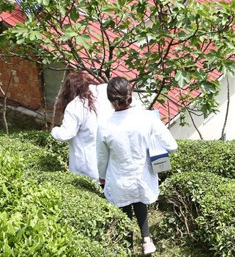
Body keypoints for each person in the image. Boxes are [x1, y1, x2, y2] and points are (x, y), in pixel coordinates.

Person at [97, 77, 177, 255]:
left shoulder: (104, 126)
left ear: (109, 99)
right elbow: (172, 145)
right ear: (130, 93)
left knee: (124, 207)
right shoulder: (147, 118)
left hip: (119, 179)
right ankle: (146, 240)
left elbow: (102, 158)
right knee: (139, 198)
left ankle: (127, 246)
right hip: (143, 176)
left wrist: (102, 177)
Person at [50, 71, 100, 181]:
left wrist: (54, 130)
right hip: (103, 160)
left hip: (85, 164)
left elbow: (65, 134)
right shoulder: (98, 99)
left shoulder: (75, 106)